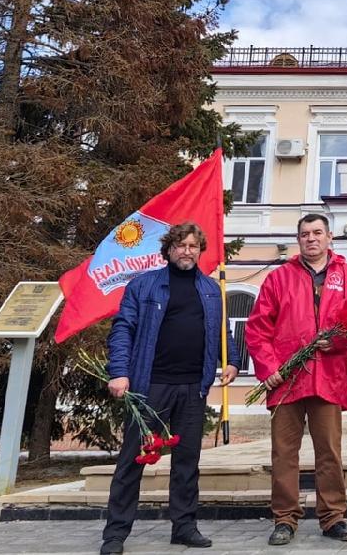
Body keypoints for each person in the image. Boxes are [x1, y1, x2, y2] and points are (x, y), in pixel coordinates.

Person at [101, 222, 239, 555]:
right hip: (151, 386)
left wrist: (231, 360)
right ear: (169, 250)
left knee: (187, 461)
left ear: (200, 250)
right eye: (180, 246)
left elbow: (223, 330)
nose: (187, 251)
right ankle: (115, 534)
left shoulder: (210, 290)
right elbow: (123, 329)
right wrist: (119, 372)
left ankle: (184, 527)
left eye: (193, 246)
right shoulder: (144, 286)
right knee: (132, 460)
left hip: (193, 387)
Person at [246, 214, 347, 547]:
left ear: (330, 237)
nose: (311, 239)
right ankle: (285, 518)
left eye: (317, 233)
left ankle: (333, 517)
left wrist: (339, 341)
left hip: (328, 376)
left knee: (329, 451)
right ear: (298, 240)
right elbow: (258, 328)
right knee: (283, 453)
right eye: (305, 234)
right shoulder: (279, 279)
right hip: (287, 378)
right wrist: (268, 367)